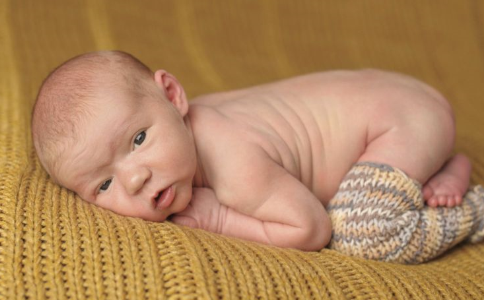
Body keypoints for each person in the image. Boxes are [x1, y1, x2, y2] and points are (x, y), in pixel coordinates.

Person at [31, 51, 482, 262]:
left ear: (172, 96)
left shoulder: (233, 162)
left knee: (362, 234)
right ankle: (441, 167)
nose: (132, 180)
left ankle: (470, 212)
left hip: (401, 120)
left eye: (136, 141)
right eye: (103, 184)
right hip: (394, 99)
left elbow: (312, 228)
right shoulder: (174, 127)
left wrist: (221, 220)